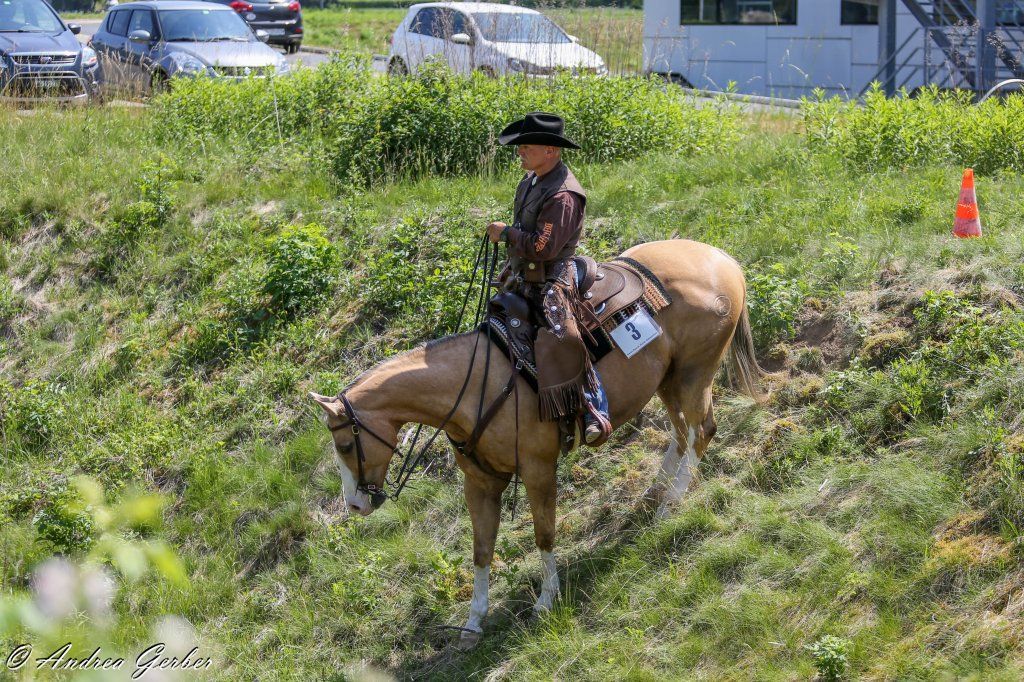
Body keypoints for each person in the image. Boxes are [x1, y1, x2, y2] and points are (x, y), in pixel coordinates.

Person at [486, 112, 612, 447]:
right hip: (524, 272)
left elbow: (543, 248)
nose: (520, 151)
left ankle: (592, 406)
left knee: (565, 335)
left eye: (527, 146)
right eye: (520, 146)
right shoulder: (531, 181)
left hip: (553, 274)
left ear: (551, 151)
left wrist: (507, 233)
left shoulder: (563, 195)